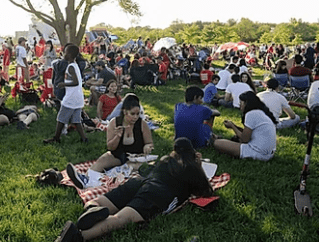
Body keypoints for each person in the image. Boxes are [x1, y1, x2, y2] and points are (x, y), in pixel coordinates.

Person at [55, 137, 213, 242]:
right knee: (120, 219)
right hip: (157, 194)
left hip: (139, 182)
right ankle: (79, 236)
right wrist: (199, 166)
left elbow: (144, 170)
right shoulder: (192, 169)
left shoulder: (165, 159)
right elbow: (207, 191)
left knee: (100, 200)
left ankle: (92, 208)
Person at [67, 94, 153, 189]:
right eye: (132, 114)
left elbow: (149, 143)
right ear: (124, 111)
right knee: (103, 160)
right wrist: (117, 136)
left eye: (138, 114)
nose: (136, 117)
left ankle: (105, 178)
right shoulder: (114, 123)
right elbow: (110, 147)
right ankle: (86, 179)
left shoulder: (142, 124)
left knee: (134, 166)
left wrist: (147, 147)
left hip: (136, 158)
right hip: (119, 154)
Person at [213, 91, 277, 161]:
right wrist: (235, 126)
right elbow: (248, 133)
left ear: (246, 103)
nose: (240, 105)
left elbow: (244, 139)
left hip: (258, 153)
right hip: (268, 153)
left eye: (241, 103)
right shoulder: (259, 112)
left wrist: (232, 127)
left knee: (217, 143)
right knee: (234, 139)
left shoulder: (251, 114)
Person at [44, 45, 88, 144]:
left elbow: (76, 82)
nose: (63, 54)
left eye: (65, 52)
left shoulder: (71, 67)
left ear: (70, 55)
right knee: (77, 120)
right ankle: (84, 138)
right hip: (77, 97)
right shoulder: (74, 65)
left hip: (71, 98)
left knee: (61, 118)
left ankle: (56, 138)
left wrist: (63, 84)